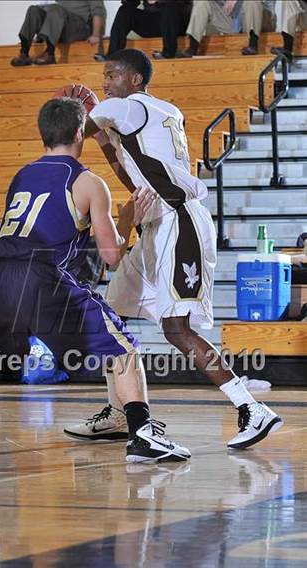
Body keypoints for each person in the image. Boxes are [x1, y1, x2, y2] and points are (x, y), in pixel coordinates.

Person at [0, 96, 191, 464]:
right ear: (81, 132)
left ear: (42, 134)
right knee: (123, 348)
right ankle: (142, 435)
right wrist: (128, 218)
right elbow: (110, 257)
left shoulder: (22, 175)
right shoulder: (88, 182)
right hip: (42, 276)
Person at [63, 49, 283, 450]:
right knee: (110, 312)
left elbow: (70, 133)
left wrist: (76, 110)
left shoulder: (128, 106)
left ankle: (251, 408)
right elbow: (128, 168)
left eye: (112, 75)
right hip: (156, 219)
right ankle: (118, 412)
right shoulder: (153, 114)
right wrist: (102, 134)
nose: (105, 82)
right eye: (104, 76)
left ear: (134, 80)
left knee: (176, 329)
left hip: (180, 223)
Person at [11, 0, 106, 66]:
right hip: (62, 26)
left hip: (80, 27)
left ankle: (49, 53)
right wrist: (40, 36)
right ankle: (24, 52)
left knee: (55, 8)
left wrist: (96, 35)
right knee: (34, 9)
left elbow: (99, 11)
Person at [94, 0, 192, 62]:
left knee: (170, 8)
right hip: (155, 22)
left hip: (177, 22)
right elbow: (130, 3)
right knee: (124, 11)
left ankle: (169, 53)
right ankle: (113, 55)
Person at [176, 0, 243, 57]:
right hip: (227, 18)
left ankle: (252, 44)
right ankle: (192, 48)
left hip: (244, 22)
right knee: (202, 2)